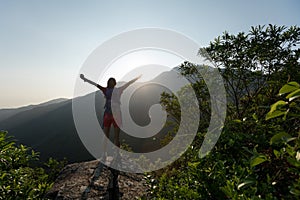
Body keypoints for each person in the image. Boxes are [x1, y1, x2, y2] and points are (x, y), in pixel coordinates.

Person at [80, 74, 141, 151]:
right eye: (111, 82)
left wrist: (136, 78)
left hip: (113, 115)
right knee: (106, 136)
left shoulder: (113, 90)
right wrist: (85, 79)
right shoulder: (114, 90)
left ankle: (116, 154)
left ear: (114, 83)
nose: (112, 83)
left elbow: (128, 83)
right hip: (110, 115)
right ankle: (105, 154)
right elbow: (95, 84)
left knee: (116, 137)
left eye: (112, 82)